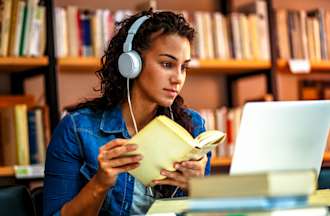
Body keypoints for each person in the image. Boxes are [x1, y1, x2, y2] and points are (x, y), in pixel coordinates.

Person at [43, 9, 212, 216]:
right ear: (132, 64)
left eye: (184, 67)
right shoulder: (77, 129)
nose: (178, 78)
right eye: (167, 64)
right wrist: (99, 183)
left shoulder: (193, 127)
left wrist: (199, 188)